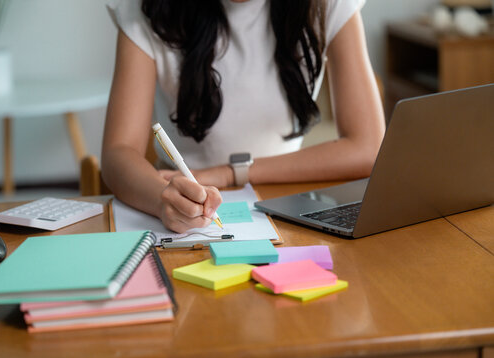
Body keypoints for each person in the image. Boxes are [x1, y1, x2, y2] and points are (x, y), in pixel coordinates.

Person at [102, 0, 385, 233]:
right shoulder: (148, 9)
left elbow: (369, 148)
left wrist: (229, 173)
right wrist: (161, 199)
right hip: (184, 205)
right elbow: (118, 153)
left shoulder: (326, 5)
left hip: (286, 202)